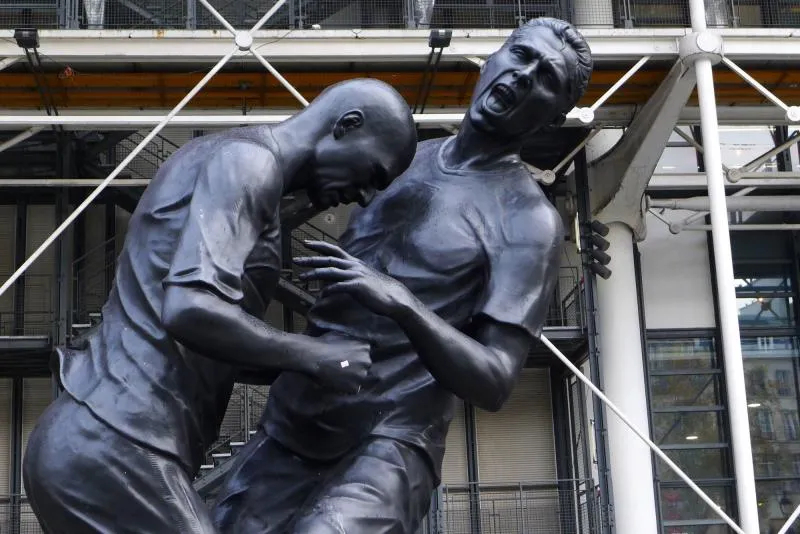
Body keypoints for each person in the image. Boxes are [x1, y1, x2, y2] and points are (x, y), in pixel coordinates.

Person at [212, 17, 593, 534]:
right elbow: (288, 200)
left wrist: (402, 303)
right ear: (491, 61)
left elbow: (495, 380)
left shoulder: (528, 221)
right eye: (521, 55)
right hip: (295, 422)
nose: (524, 76)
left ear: (554, 117)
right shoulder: (405, 156)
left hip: (390, 443)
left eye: (546, 78)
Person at [22, 78, 417, 534]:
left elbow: (206, 343)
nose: (365, 196)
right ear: (346, 125)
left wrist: (310, 364)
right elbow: (188, 308)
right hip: (113, 441)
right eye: (373, 174)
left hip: (111, 442)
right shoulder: (248, 163)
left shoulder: (236, 164)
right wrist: (315, 355)